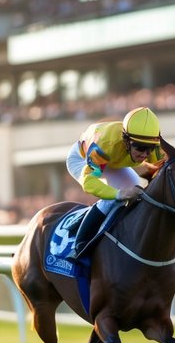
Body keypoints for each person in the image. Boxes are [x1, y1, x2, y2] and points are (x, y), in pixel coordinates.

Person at [64, 106, 166, 260]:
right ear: (126, 141)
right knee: (114, 198)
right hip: (83, 158)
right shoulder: (105, 145)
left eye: (150, 149)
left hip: (114, 161)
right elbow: (89, 182)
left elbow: (163, 170)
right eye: (140, 148)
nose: (146, 154)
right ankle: (79, 245)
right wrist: (118, 194)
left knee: (134, 187)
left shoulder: (152, 144)